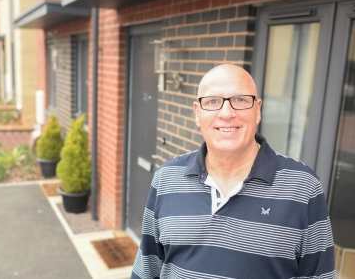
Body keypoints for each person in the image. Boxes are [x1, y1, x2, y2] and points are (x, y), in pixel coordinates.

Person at [131, 64, 335, 279]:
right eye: (212, 101)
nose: (227, 113)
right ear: (197, 114)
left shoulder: (303, 187)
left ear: (257, 110)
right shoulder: (167, 178)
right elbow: (147, 269)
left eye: (240, 100)